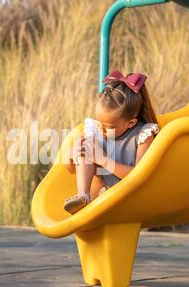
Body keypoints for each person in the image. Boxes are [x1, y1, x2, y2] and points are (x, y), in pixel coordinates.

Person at [63, 70, 160, 214]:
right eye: (100, 122)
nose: (101, 129)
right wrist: (72, 154)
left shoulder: (143, 136)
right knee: (86, 144)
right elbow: (70, 168)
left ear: (131, 123)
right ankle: (83, 196)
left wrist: (103, 160)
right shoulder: (96, 131)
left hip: (127, 200)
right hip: (97, 200)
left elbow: (141, 177)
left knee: (92, 149)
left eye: (109, 127)